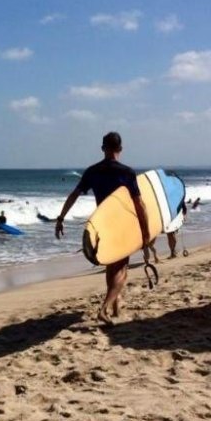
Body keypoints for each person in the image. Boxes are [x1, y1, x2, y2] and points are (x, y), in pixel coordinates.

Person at [55, 132, 150, 325]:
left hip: (102, 224)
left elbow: (74, 194)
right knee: (122, 269)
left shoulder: (92, 171)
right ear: (120, 149)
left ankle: (115, 308)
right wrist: (145, 230)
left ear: (102, 148)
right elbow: (139, 204)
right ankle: (105, 308)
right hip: (122, 225)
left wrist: (61, 217)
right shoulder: (127, 172)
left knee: (110, 266)